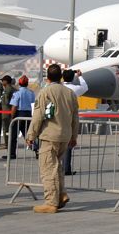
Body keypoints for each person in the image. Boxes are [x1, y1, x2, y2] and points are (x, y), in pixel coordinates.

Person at [26, 64, 80, 213]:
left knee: (48, 170)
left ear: (47, 77)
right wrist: (74, 136)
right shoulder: (70, 93)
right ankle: (61, 194)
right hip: (65, 136)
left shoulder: (45, 92)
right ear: (61, 77)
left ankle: (51, 202)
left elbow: (38, 116)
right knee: (57, 168)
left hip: (50, 135)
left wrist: (31, 135)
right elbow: (76, 118)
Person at [61, 69, 88, 175]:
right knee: (68, 144)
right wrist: (80, 76)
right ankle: (66, 168)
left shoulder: (59, 87)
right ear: (73, 78)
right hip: (69, 118)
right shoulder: (75, 89)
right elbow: (85, 87)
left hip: (57, 117)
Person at [7, 75, 35, 159]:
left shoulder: (17, 93)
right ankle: (37, 150)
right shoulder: (31, 93)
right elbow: (33, 103)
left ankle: (12, 154)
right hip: (28, 114)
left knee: (13, 135)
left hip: (19, 114)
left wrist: (12, 117)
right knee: (28, 135)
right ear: (27, 83)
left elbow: (14, 106)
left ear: (19, 83)